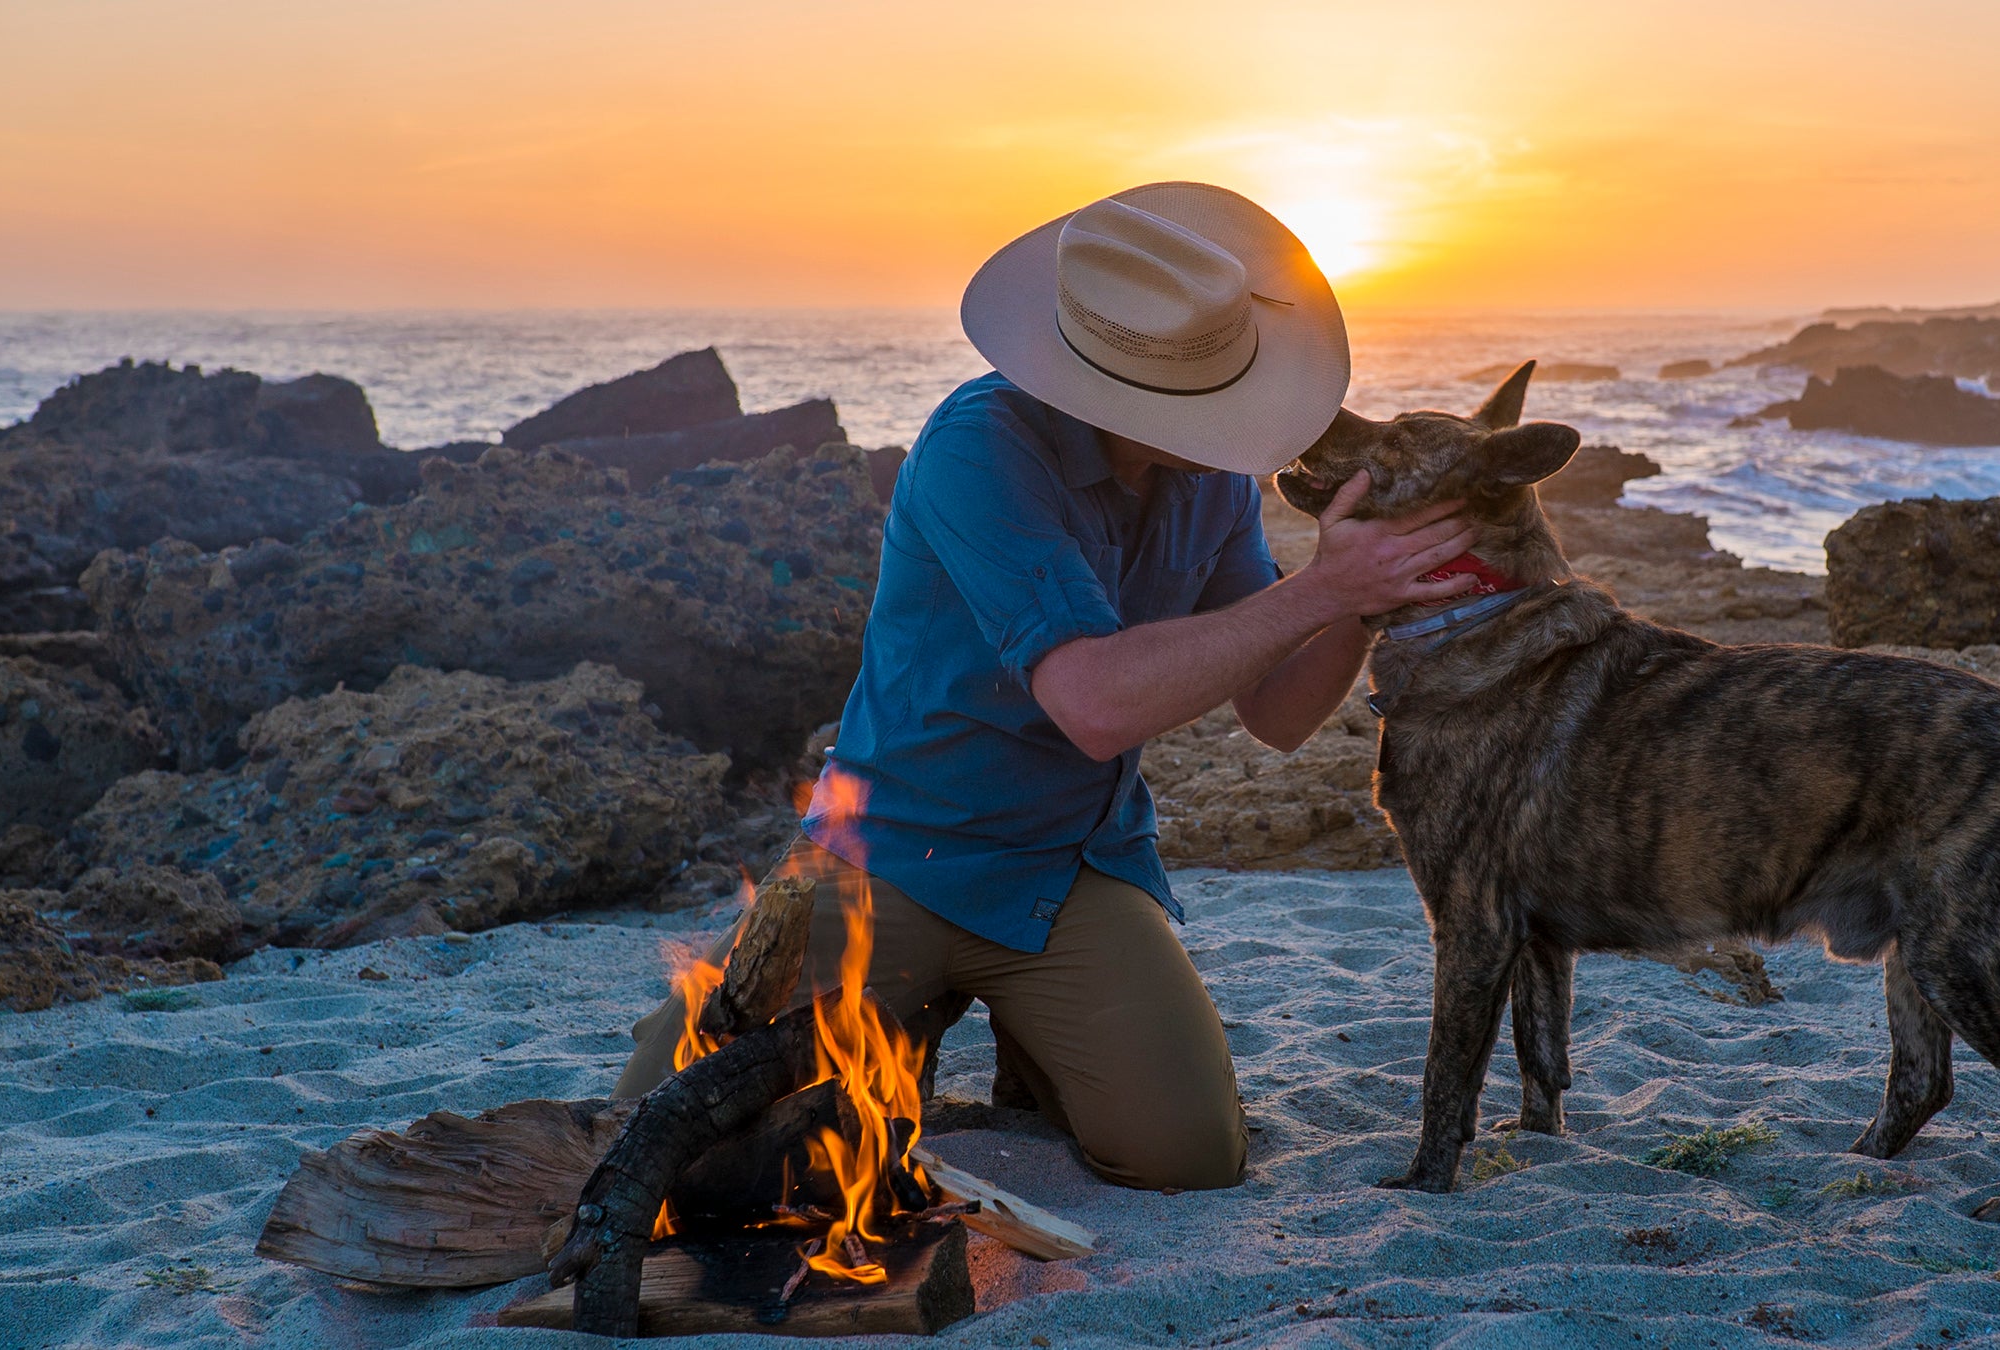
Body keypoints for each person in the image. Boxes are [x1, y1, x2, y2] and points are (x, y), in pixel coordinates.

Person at [614, 182, 1480, 1190]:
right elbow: (1096, 705)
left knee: (1188, 1155)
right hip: (892, 848)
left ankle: (1013, 1038)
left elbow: (1277, 713)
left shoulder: (1211, 475)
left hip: (1071, 865)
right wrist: (1323, 587)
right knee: (661, 1125)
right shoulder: (978, 448)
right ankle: (922, 1016)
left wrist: (1362, 600)